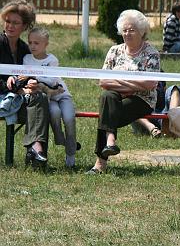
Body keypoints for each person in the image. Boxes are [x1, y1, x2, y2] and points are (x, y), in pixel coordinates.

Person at [87, 9, 161, 174]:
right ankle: (110, 142)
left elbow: (149, 84)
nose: (127, 33)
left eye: (132, 29)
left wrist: (120, 83)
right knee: (107, 96)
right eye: (124, 30)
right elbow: (103, 81)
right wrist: (133, 85)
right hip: (115, 97)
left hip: (142, 101)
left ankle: (100, 163)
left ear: (142, 32)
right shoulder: (114, 51)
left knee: (106, 112)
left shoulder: (151, 53)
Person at [0, 0, 50, 168]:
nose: (10, 26)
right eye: (7, 21)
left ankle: (36, 150)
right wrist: (11, 86)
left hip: (18, 98)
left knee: (41, 97)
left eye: (15, 22)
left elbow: (31, 74)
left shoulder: (26, 49)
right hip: (3, 97)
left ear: (25, 26)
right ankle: (36, 150)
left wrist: (32, 84)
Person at [23, 27, 79, 167]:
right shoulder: (27, 58)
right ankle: (61, 140)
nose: (32, 46)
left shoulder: (52, 60)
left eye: (36, 43)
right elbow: (26, 78)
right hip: (48, 98)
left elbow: (53, 81)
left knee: (69, 118)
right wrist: (31, 80)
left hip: (61, 94)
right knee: (54, 113)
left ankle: (70, 153)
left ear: (46, 44)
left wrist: (35, 77)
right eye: (30, 42)